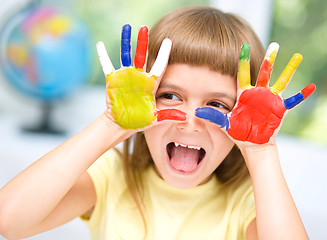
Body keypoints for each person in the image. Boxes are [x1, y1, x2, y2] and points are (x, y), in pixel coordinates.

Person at [0, 6, 315, 240]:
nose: (190, 123)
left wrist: (260, 152)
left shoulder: (248, 202)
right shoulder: (112, 176)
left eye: (217, 104)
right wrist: (111, 124)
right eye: (170, 96)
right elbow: (9, 221)